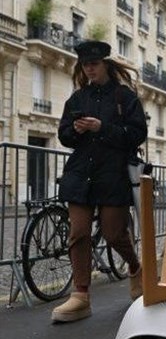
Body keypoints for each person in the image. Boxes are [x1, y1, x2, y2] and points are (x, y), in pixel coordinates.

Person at [52, 40, 148, 323]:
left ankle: (134, 267)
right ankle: (80, 296)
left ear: (105, 64)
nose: (89, 69)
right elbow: (64, 135)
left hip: (113, 175)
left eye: (94, 64)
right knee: (78, 233)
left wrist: (102, 128)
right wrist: (77, 130)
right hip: (81, 174)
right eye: (85, 65)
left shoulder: (124, 97)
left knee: (114, 233)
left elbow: (136, 134)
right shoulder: (77, 99)